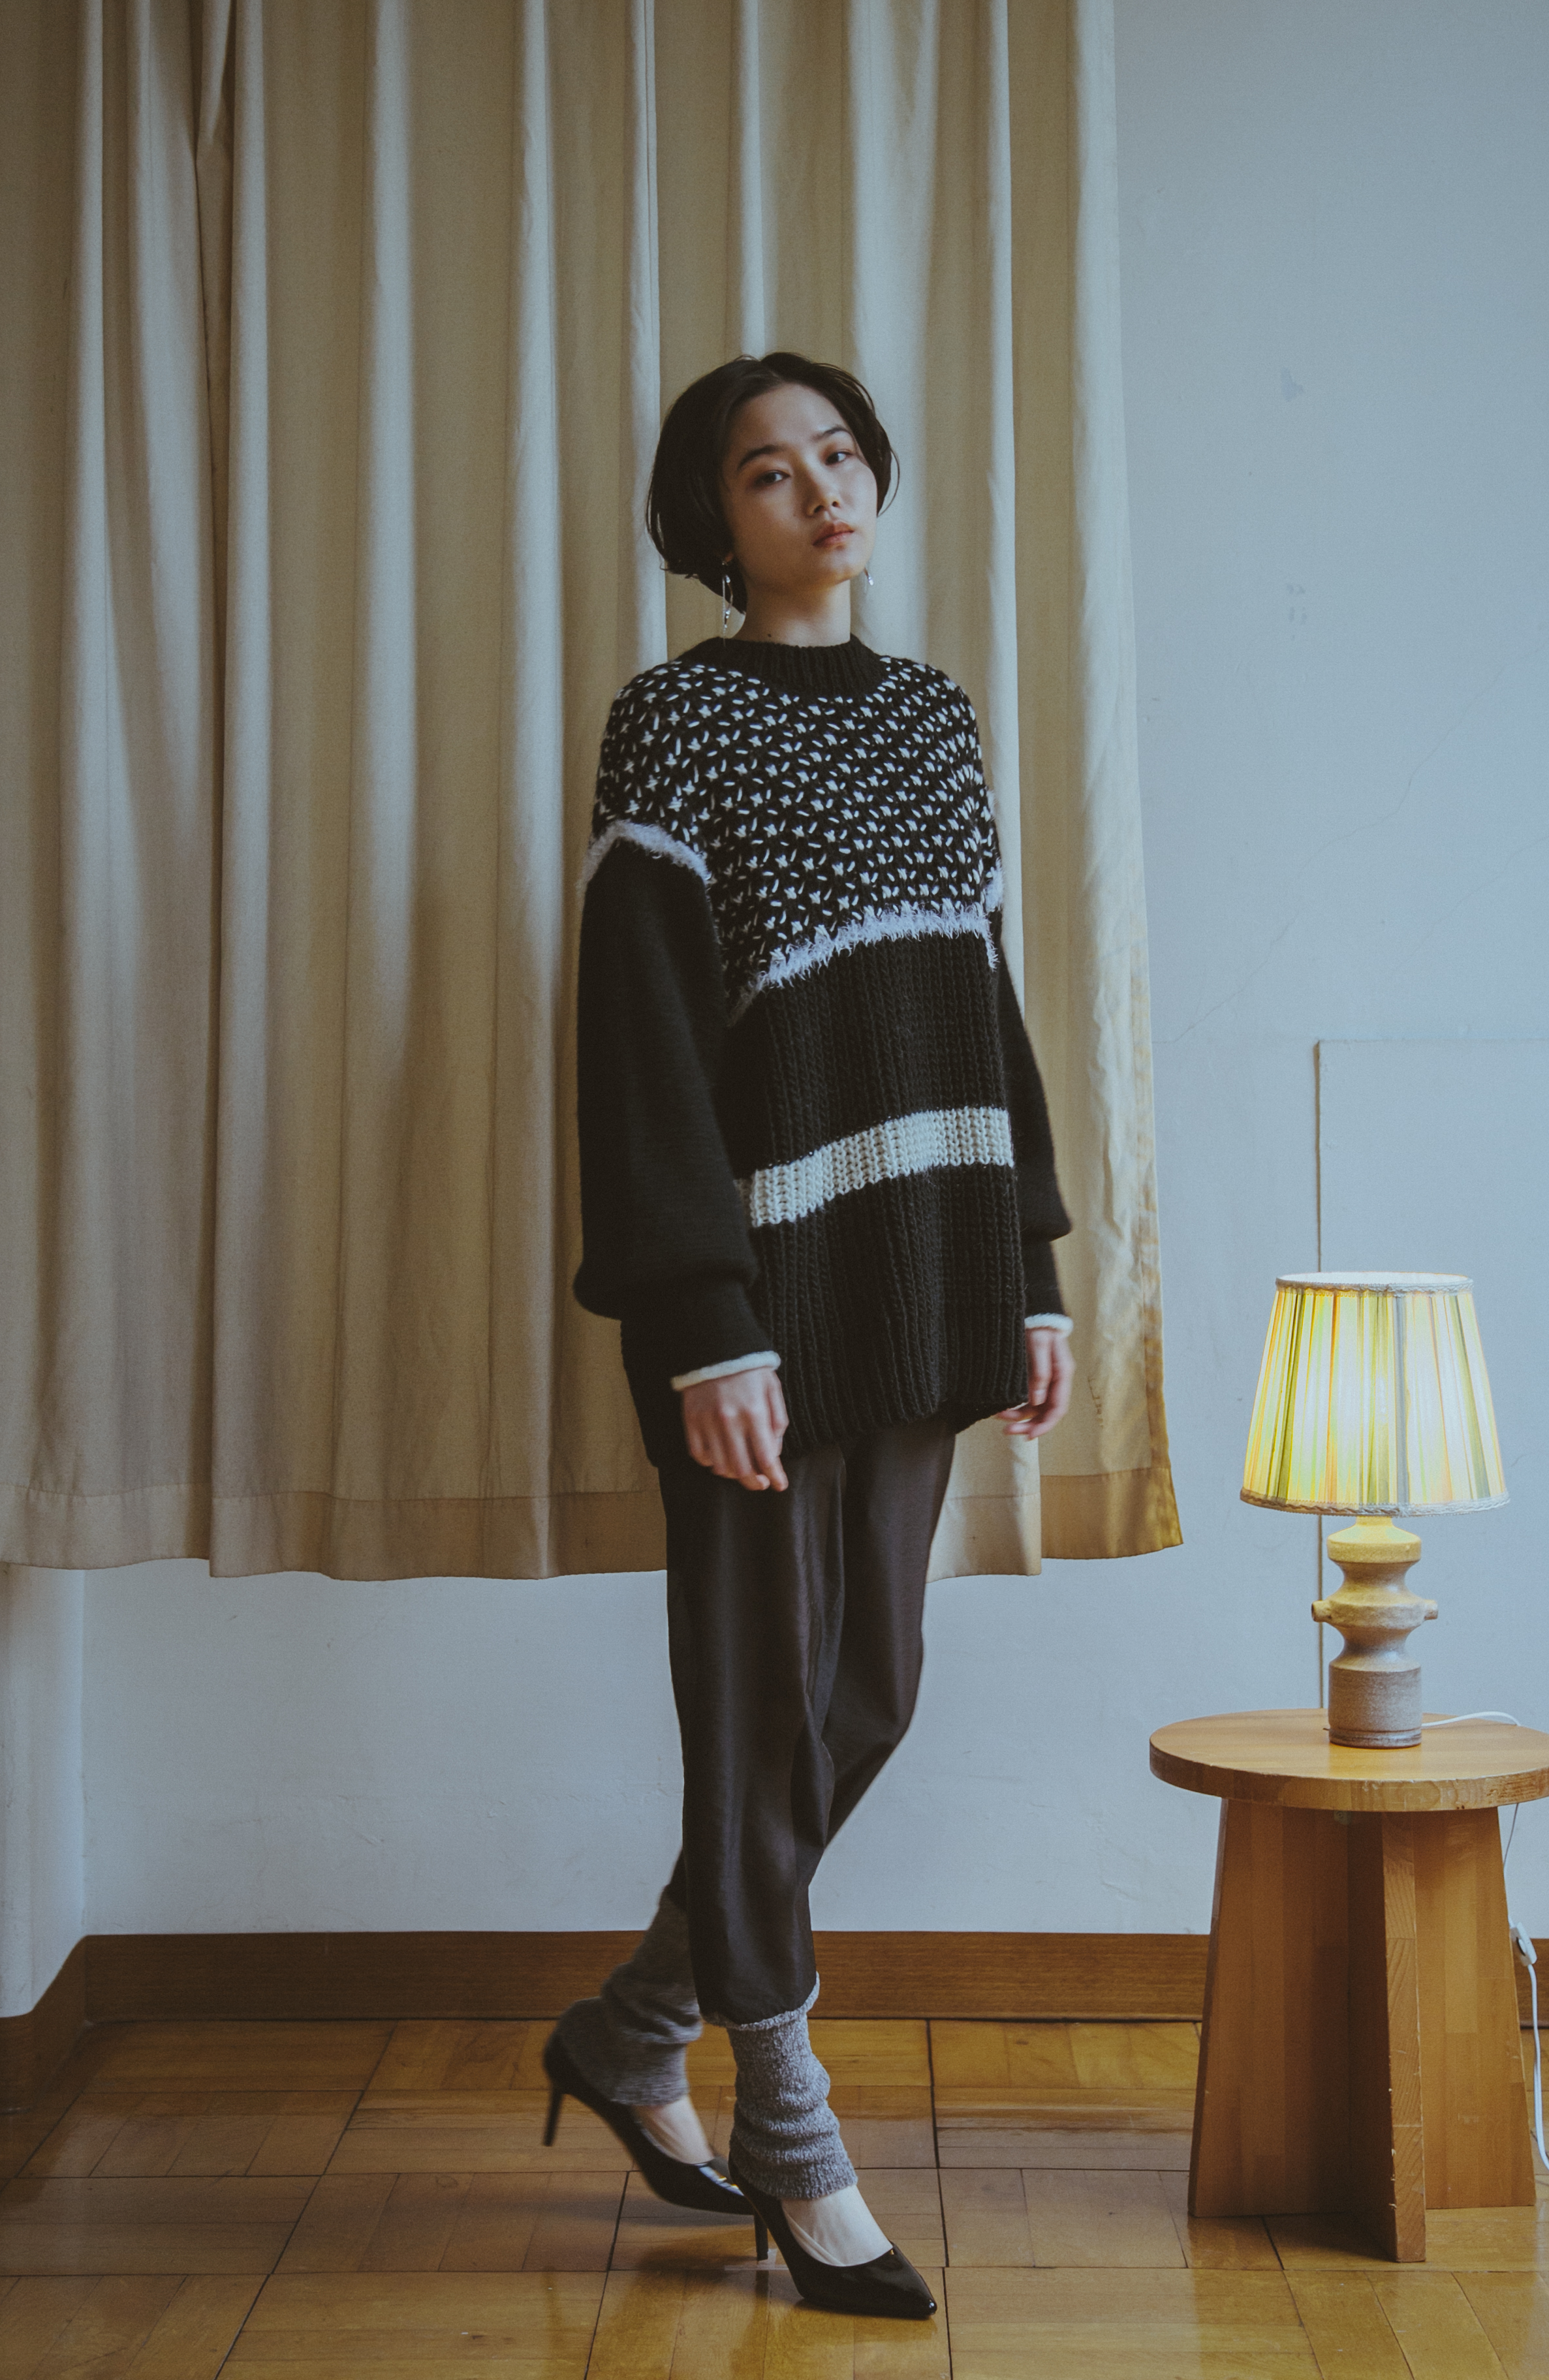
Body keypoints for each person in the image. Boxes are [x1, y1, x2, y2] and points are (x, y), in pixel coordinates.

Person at [551, 351, 1076, 2320]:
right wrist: (702, 1322)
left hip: (925, 1269)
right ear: (714, 520)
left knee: (867, 1700)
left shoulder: (935, 720)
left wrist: (1029, 1265)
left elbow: (985, 1000)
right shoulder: (674, 725)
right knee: (759, 1712)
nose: (820, 493)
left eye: (839, 455)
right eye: (769, 473)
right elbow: (638, 1044)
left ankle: (633, 2027)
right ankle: (789, 2127)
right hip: (754, 1305)